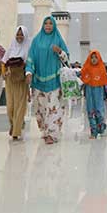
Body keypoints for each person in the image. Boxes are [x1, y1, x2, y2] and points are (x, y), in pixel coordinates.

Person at [25, 16, 69, 144]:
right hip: (38, 81)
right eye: (46, 23)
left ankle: (52, 133)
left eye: (50, 23)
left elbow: (66, 59)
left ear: (54, 26)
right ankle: (45, 131)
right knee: (41, 108)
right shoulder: (36, 41)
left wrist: (60, 51)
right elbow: (31, 58)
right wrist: (29, 72)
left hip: (54, 80)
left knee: (53, 107)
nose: (48, 26)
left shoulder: (58, 39)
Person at [3, 25, 31, 140]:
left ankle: (16, 131)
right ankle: (14, 124)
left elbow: (30, 63)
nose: (19, 36)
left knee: (20, 106)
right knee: (10, 107)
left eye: (21, 34)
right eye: (18, 34)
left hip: (21, 80)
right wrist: (4, 72)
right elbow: (4, 62)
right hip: (10, 80)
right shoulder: (12, 46)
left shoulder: (28, 48)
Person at [81, 50, 107, 138]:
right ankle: (93, 132)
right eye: (92, 57)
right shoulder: (86, 68)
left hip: (98, 93)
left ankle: (102, 129)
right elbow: (81, 77)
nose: (93, 59)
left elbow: (105, 83)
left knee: (99, 110)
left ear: (99, 58)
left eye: (95, 57)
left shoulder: (101, 68)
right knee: (91, 111)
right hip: (89, 93)